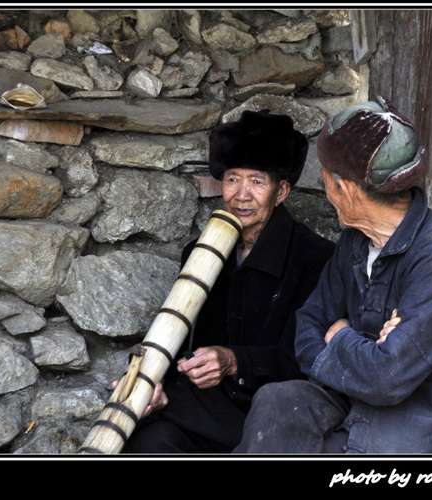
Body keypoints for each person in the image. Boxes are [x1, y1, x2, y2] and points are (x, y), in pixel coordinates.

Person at [234, 97, 432, 454]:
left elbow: (387, 379)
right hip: (347, 398)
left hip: (411, 422)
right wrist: (367, 350)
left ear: (343, 189)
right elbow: (308, 324)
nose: (327, 192)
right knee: (277, 404)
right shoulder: (355, 241)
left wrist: (341, 335)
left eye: (326, 181)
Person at [121, 110, 335, 453]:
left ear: (281, 191)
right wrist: (153, 383)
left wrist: (234, 361)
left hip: (267, 412)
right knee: (149, 441)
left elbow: (306, 361)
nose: (242, 195)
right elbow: (177, 337)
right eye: (233, 179)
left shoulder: (315, 258)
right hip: (202, 406)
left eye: (257, 182)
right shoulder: (200, 253)